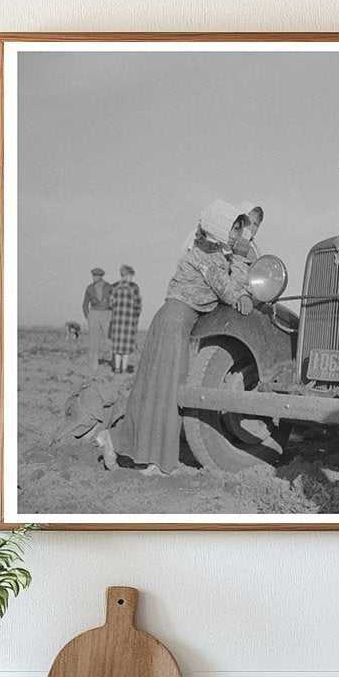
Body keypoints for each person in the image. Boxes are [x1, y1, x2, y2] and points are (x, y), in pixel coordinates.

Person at [96, 201, 256, 476]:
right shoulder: (206, 256)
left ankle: (118, 441)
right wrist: (242, 265)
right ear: (218, 228)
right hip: (174, 322)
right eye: (233, 228)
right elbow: (228, 291)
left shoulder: (213, 251)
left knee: (154, 389)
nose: (237, 234)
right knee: (168, 391)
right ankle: (154, 462)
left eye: (240, 228)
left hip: (174, 321)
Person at [109, 265, 142, 373]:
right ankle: (124, 368)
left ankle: (117, 368)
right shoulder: (134, 288)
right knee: (126, 348)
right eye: (131, 276)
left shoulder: (114, 287)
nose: (131, 278)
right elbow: (138, 305)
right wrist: (136, 316)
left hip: (117, 320)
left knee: (117, 346)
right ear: (127, 275)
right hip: (129, 321)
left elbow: (110, 303)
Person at [82, 267, 112, 370]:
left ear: (101, 276)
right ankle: (93, 364)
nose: (94, 278)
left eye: (96, 276)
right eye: (93, 275)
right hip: (94, 314)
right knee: (93, 340)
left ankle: (113, 363)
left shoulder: (109, 287)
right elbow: (85, 304)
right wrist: (88, 317)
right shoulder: (89, 288)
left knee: (110, 340)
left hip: (106, 314)